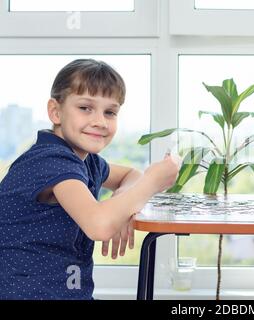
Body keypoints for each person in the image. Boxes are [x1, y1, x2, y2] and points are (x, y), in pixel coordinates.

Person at [0, 59, 180, 299]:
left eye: (110, 112)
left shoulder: (86, 160)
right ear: (55, 111)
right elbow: (100, 225)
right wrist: (152, 182)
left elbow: (129, 175)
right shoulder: (50, 161)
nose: (100, 121)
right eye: (85, 108)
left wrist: (122, 201)